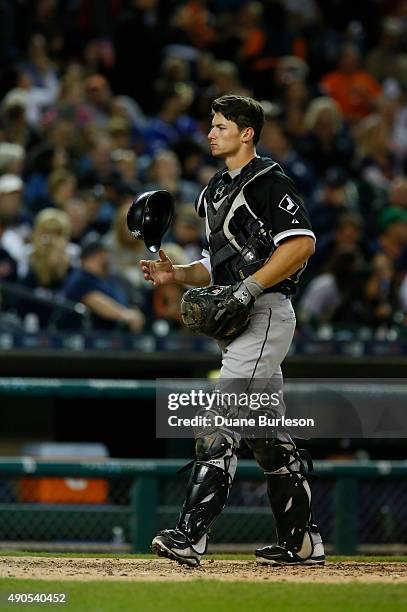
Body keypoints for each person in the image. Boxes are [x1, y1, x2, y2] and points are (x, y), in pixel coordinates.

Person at [140, 95, 324, 567]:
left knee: (218, 417)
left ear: (247, 133)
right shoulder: (214, 191)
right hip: (242, 316)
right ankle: (302, 543)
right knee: (268, 437)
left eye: (222, 125)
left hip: (264, 313)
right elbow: (215, 265)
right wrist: (175, 274)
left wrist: (247, 289)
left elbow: (301, 243)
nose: (211, 132)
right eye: (212, 125)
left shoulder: (268, 180)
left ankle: (190, 535)